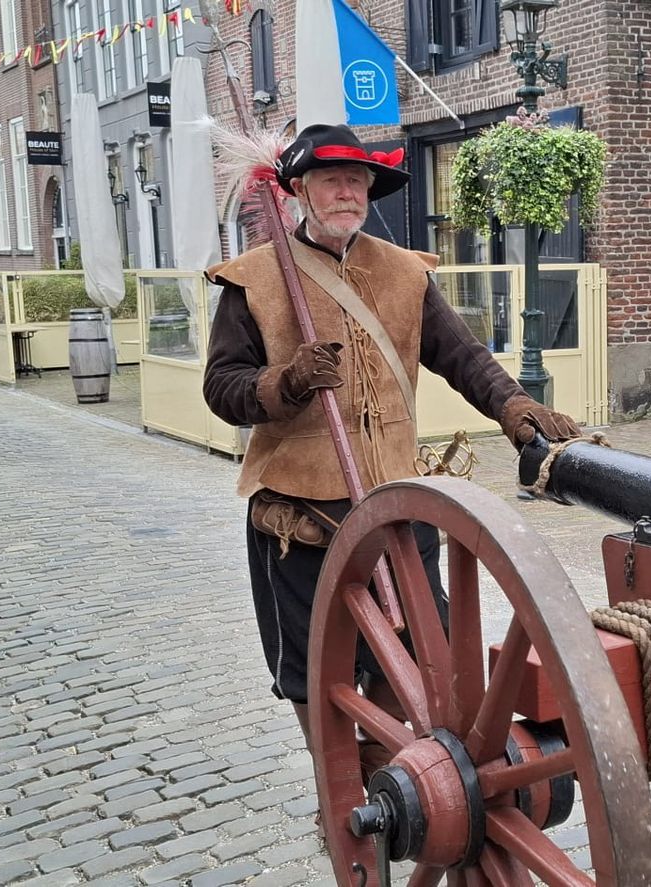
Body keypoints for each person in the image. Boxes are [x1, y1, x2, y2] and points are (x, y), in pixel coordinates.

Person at [201, 123, 581, 741]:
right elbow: (222, 388)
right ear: (298, 190)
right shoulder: (255, 279)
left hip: (397, 498)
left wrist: (512, 406)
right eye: (332, 180)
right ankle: (334, 773)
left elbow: (462, 356)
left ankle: (387, 763)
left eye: (357, 181)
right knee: (310, 666)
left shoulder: (404, 272)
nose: (348, 193)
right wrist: (285, 382)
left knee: (415, 644)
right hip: (302, 512)